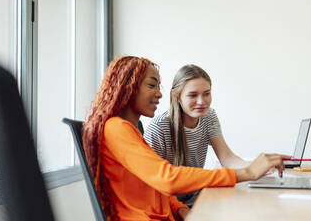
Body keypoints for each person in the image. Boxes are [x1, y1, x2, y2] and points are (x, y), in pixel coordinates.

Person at [83, 56, 288, 221]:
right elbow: (168, 179)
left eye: (158, 87)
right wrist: (247, 172)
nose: (159, 94)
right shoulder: (117, 129)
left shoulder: (129, 130)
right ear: (128, 87)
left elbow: (154, 185)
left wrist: (180, 209)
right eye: (151, 85)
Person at [143, 64, 255, 205]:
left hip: (195, 199)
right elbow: (152, 182)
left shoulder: (209, 116)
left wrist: (257, 168)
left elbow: (226, 157)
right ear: (177, 97)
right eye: (193, 95)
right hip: (168, 205)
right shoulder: (159, 127)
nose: (202, 102)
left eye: (206, 93)